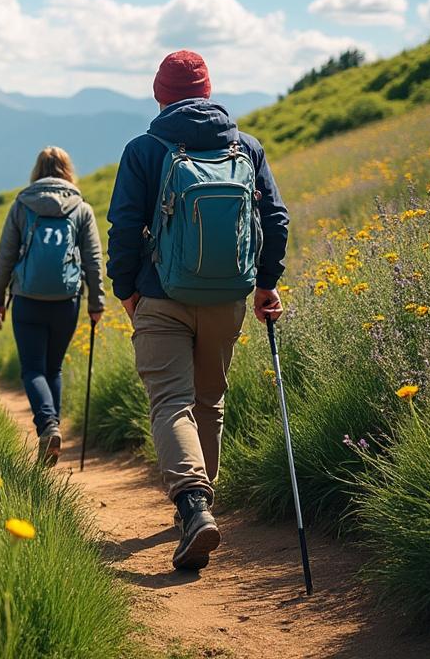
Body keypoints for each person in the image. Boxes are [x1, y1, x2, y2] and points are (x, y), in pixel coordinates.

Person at [106, 50, 289, 571]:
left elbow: (123, 226)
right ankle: (201, 506)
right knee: (209, 399)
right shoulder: (246, 147)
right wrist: (266, 285)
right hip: (228, 295)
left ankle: (192, 506)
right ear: (208, 92)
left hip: (161, 295)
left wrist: (126, 289)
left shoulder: (144, 149)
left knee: (171, 402)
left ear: (160, 95)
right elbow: (275, 218)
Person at [0, 147, 106, 466]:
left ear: (37, 171)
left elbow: (5, 257)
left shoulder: (22, 205)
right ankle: (52, 431)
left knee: (32, 368)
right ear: (68, 170)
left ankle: (47, 426)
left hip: (27, 299)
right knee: (53, 367)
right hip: (66, 300)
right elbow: (94, 261)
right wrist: (97, 302)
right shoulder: (81, 208)